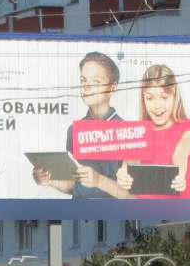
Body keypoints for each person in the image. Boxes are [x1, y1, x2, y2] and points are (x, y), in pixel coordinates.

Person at [34, 51, 131, 199]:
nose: (87, 87)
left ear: (113, 87)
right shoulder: (74, 130)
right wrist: (49, 180)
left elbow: (131, 195)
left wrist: (98, 180)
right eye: (83, 80)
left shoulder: (127, 131)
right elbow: (74, 185)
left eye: (96, 82)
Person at [115, 63, 190, 199]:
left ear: (174, 97)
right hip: (146, 215)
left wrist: (179, 173)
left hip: (181, 215)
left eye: (164, 98)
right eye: (150, 98)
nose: (157, 106)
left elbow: (181, 152)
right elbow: (131, 160)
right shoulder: (138, 131)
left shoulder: (189, 127)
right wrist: (124, 172)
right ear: (143, 99)